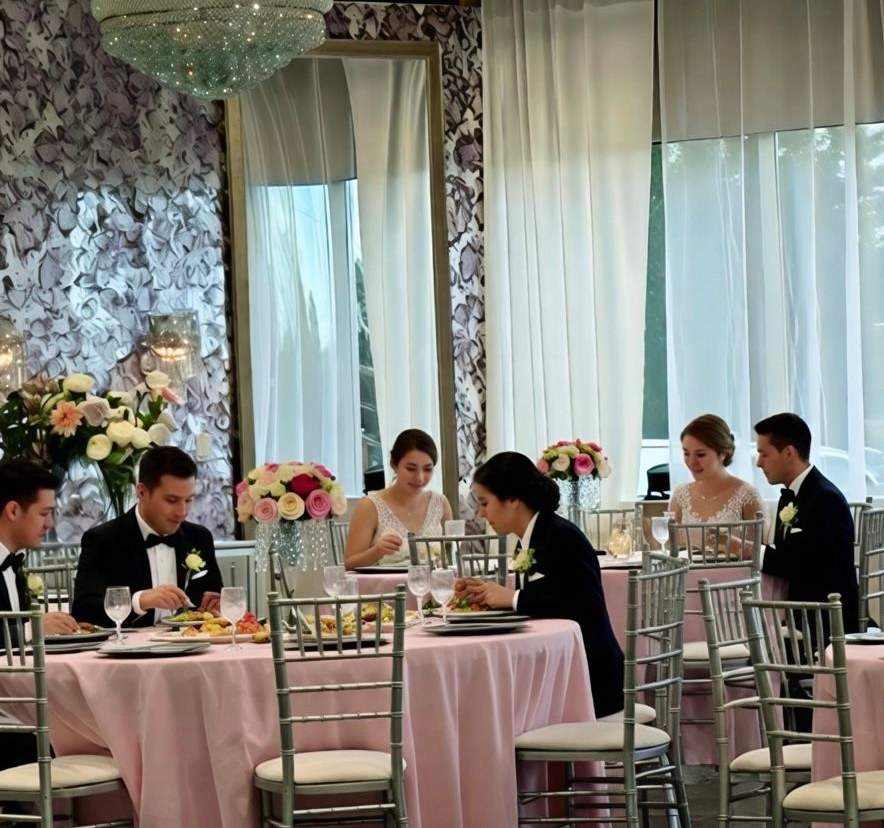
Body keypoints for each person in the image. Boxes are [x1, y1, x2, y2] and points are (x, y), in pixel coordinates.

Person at [456, 452, 625, 718]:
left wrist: (513, 598)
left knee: (491, 709)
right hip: (562, 669)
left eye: (485, 502)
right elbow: (547, 596)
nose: (480, 513)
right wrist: (486, 595)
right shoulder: (533, 536)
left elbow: (586, 609)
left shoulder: (562, 537)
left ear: (512, 499)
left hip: (591, 678)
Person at [72, 446, 223, 627]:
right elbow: (84, 611)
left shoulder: (199, 537)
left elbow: (215, 599)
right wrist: (139, 601)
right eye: (172, 500)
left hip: (194, 648)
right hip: (128, 652)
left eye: (189, 500)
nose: (182, 512)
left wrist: (217, 606)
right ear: (142, 492)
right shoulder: (103, 539)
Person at [0, 459, 79, 774]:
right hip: (6, 721)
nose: (49, 525)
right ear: (13, 511)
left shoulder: (13, 562)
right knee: (74, 739)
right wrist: (32, 629)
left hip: (14, 703)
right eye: (45, 514)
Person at [754, 412, 858, 633]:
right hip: (801, 613)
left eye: (764, 454)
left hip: (826, 621)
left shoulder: (824, 498)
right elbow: (787, 551)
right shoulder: (791, 494)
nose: (758, 462)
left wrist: (749, 550)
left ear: (789, 452)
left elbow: (802, 565)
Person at [344, 429, 453, 568]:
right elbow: (349, 564)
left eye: (427, 469)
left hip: (434, 587)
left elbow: (451, 559)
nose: (420, 478)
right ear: (394, 464)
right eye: (411, 469)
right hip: (384, 588)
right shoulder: (370, 505)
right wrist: (376, 552)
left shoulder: (440, 503)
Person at [669, 414, 764, 556]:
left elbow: (757, 554)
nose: (691, 462)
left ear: (723, 453)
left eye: (700, 455)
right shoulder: (680, 493)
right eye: (686, 453)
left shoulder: (747, 495)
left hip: (736, 577)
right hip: (688, 575)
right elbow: (672, 549)